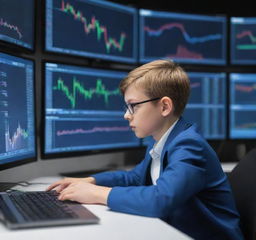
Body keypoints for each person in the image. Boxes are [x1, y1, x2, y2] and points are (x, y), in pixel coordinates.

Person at [47, 60, 243, 240]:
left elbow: (160, 199)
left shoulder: (189, 146)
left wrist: (98, 194)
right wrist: (90, 181)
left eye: (133, 106)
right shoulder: (162, 140)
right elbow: (134, 178)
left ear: (165, 106)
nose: (126, 115)